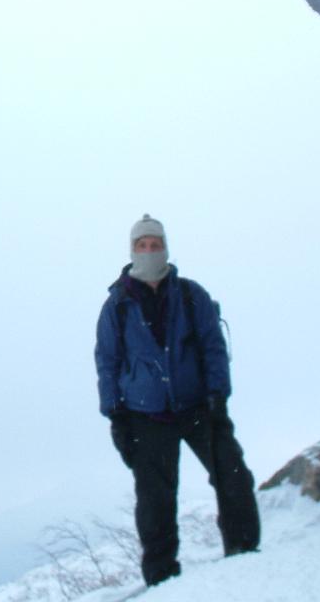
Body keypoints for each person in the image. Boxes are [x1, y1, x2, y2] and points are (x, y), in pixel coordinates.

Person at [94, 214, 260, 586]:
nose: (149, 251)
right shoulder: (117, 305)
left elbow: (213, 347)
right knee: (155, 500)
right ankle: (162, 577)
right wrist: (116, 416)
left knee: (232, 475)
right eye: (142, 245)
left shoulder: (190, 295)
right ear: (132, 250)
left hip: (199, 405)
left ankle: (244, 552)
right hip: (145, 414)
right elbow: (107, 362)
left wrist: (218, 395)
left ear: (166, 248)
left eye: (155, 245)